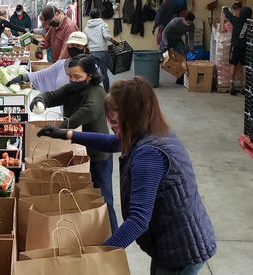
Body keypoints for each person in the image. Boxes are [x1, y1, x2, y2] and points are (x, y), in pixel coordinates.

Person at [37, 77, 216, 274]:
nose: (112, 126)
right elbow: (113, 142)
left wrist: (99, 255)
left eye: (114, 121)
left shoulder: (149, 156)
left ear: (133, 117)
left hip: (181, 249)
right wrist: (68, 134)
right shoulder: (152, 132)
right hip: (172, 240)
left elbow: (138, 220)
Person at [30, 55, 118, 232]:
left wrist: (62, 129)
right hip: (79, 153)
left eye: (77, 77)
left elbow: (87, 112)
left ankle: (114, 240)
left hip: (98, 154)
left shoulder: (97, 93)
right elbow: (54, 95)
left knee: (104, 199)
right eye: (70, 76)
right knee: (86, 196)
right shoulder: (73, 88)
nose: (73, 80)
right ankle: (91, 232)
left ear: (90, 76)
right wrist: (40, 99)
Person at [6, 31, 89, 92]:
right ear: (67, 46)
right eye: (72, 45)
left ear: (85, 48)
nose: (74, 48)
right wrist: (23, 77)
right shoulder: (61, 65)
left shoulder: (91, 69)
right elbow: (41, 75)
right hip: (65, 114)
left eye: (78, 46)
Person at [84, 8, 119, 92]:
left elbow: (86, 41)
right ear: (99, 15)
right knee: (104, 73)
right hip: (102, 52)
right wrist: (114, 42)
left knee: (93, 73)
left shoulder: (86, 28)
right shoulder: (103, 24)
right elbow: (106, 36)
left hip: (92, 52)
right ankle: (107, 92)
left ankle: (94, 92)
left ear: (90, 17)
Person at [223, 6, 252, 95]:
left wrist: (225, 8)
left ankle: (231, 85)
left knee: (233, 64)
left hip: (235, 46)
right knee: (244, 66)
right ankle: (244, 87)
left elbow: (228, 15)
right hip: (246, 47)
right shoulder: (250, 23)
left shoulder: (236, 20)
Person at [160, 12, 195, 85]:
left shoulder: (192, 26)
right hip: (167, 39)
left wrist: (192, 48)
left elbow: (191, 39)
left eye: (190, 23)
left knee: (183, 55)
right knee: (163, 56)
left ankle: (180, 77)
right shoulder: (175, 22)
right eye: (188, 23)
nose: (189, 25)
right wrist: (166, 44)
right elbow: (164, 33)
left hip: (177, 40)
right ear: (184, 19)